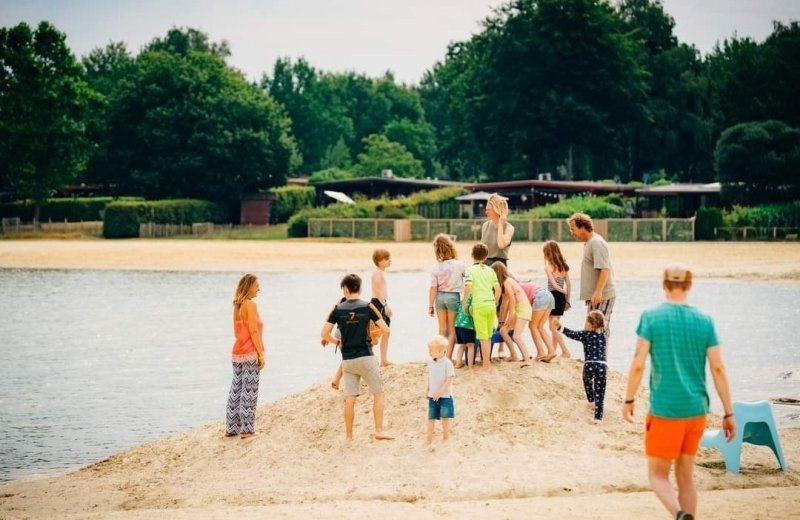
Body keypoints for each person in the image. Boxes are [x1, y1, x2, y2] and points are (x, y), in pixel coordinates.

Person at [622, 264, 736, 520]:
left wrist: (629, 398)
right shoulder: (704, 320)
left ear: (664, 286)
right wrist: (729, 413)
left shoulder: (651, 317)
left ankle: (679, 515)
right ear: (689, 286)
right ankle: (686, 515)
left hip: (665, 410)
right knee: (686, 475)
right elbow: (718, 367)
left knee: (658, 475)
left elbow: (638, 362)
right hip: (696, 410)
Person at [322, 274, 394, 441]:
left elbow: (324, 333)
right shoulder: (368, 307)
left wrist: (337, 342)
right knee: (378, 393)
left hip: (348, 360)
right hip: (366, 357)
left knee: (350, 398)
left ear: (345, 289)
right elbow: (386, 330)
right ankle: (378, 430)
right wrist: (373, 338)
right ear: (360, 289)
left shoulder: (337, 309)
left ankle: (349, 436)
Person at [225, 273, 266, 439]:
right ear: (249, 286)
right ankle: (247, 430)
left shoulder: (237, 305)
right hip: (249, 353)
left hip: (237, 352)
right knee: (249, 390)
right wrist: (260, 353)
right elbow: (253, 330)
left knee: (236, 389)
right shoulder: (251, 305)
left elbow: (237, 333)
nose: (259, 289)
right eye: (257, 286)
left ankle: (232, 428)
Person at [566, 213, 616, 335]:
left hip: (603, 295)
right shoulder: (589, 243)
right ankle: (596, 354)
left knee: (599, 329)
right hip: (595, 297)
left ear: (582, 227)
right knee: (592, 328)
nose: (572, 233)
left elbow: (604, 269)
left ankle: (601, 354)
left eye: (573, 229)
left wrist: (598, 291)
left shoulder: (596, 243)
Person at [555, 310, 607, 424]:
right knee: (600, 391)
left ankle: (591, 400)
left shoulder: (585, 334)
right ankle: (598, 418)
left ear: (589, 324)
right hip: (602, 365)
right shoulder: (604, 336)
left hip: (589, 364)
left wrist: (560, 327)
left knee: (587, 380)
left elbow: (572, 334)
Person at [462, 243, 501, 372]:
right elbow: (498, 290)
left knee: (483, 337)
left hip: (479, 305)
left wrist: (464, 304)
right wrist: (494, 302)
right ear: (486, 257)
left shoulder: (470, 270)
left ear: (472, 255)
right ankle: (486, 363)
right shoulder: (491, 271)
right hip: (490, 305)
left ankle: (486, 365)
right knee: (488, 336)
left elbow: (468, 287)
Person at [428, 234, 466, 360]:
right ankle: (447, 357)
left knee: (442, 330)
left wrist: (430, 305)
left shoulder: (435, 268)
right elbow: (469, 280)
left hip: (439, 298)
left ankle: (438, 356)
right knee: (452, 329)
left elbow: (433, 288)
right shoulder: (459, 264)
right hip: (453, 297)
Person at [491, 262, 534, 363]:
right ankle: (514, 355)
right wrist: (501, 322)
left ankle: (527, 359)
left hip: (523, 310)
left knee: (516, 336)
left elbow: (512, 300)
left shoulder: (507, 282)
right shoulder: (506, 284)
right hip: (519, 310)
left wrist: (511, 315)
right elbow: (504, 303)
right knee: (503, 331)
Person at [543, 240, 572, 357]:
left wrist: (563, 292)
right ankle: (553, 350)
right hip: (561, 298)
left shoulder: (548, 267)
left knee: (552, 326)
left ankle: (565, 351)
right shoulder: (564, 267)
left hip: (553, 296)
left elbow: (554, 285)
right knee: (556, 325)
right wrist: (567, 299)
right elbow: (569, 284)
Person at [426, 335, 455, 444]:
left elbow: (449, 379)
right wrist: (428, 389)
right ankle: (429, 438)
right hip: (432, 395)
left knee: (445, 417)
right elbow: (431, 376)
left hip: (445, 396)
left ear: (441, 351)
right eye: (429, 350)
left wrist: (440, 392)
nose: (429, 352)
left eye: (431, 350)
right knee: (431, 416)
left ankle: (446, 437)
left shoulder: (448, 363)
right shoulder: (430, 362)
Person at [521, 280, 556, 362]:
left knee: (532, 326)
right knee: (540, 327)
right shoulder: (522, 284)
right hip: (549, 296)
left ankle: (541, 353)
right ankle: (552, 351)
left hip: (540, 296)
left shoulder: (515, 287)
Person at [371, 248, 393, 366]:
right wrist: (385, 305)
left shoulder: (381, 272)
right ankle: (378, 360)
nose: (390, 261)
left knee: (385, 332)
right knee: (377, 333)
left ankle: (383, 360)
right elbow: (377, 290)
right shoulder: (377, 273)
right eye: (387, 259)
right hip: (378, 304)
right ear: (380, 260)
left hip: (381, 303)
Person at [480, 193, 515, 267]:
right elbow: (482, 250)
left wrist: (500, 224)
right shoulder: (485, 225)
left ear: (497, 209)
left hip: (499, 266)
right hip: (484, 265)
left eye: (489, 210)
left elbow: (501, 245)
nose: (486, 212)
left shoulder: (509, 228)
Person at [453, 295, 476, 369]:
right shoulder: (474, 299)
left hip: (457, 324)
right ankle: (470, 366)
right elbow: (472, 311)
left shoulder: (463, 300)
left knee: (462, 345)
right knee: (470, 345)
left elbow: (457, 311)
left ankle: (458, 363)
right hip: (467, 325)